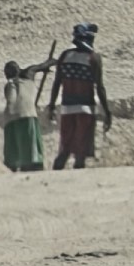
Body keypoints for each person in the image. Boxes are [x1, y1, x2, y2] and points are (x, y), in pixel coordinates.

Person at [46, 22, 110, 170]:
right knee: (81, 151)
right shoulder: (94, 58)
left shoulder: (65, 56)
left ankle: (54, 178)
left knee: (64, 149)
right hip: (86, 109)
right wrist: (107, 111)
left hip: (67, 108)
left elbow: (57, 83)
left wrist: (52, 105)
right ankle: (77, 180)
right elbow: (100, 87)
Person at [0, 61, 44, 174]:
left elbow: (11, 98)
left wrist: (10, 107)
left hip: (12, 118)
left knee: (14, 146)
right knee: (30, 146)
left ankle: (15, 166)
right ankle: (32, 165)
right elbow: (41, 66)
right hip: (29, 115)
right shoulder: (29, 79)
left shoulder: (11, 84)